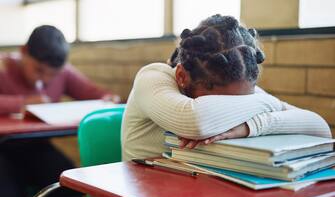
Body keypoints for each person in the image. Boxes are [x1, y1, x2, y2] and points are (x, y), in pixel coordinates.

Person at [121, 15, 331, 161]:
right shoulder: (152, 76)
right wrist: (271, 103)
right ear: (182, 76)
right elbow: (197, 121)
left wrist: (252, 125)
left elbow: (319, 128)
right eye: (222, 105)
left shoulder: (237, 85)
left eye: (240, 104)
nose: (235, 109)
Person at [0, 25, 120, 197]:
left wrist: (107, 99)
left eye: (53, 74)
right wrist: (22, 103)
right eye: (39, 70)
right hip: (3, 148)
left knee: (69, 185)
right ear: (23, 51)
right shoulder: (3, 67)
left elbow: (95, 92)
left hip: (35, 146)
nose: (46, 79)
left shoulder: (63, 72)